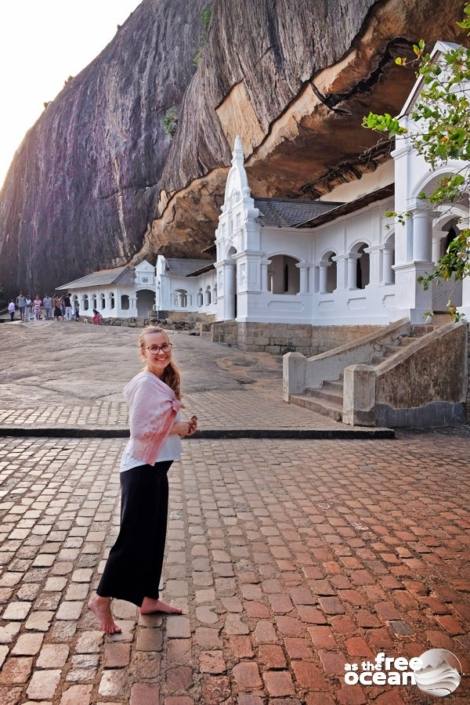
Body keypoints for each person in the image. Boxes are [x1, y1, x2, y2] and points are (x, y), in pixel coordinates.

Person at [88, 326, 198, 633]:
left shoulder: (164, 379)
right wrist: (176, 428)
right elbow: (140, 431)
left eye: (165, 345)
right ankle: (100, 599)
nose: (161, 351)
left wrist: (182, 426)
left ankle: (149, 598)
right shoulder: (144, 384)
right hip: (140, 469)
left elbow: (160, 422)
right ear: (143, 352)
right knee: (132, 539)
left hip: (157, 468)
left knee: (153, 536)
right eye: (154, 348)